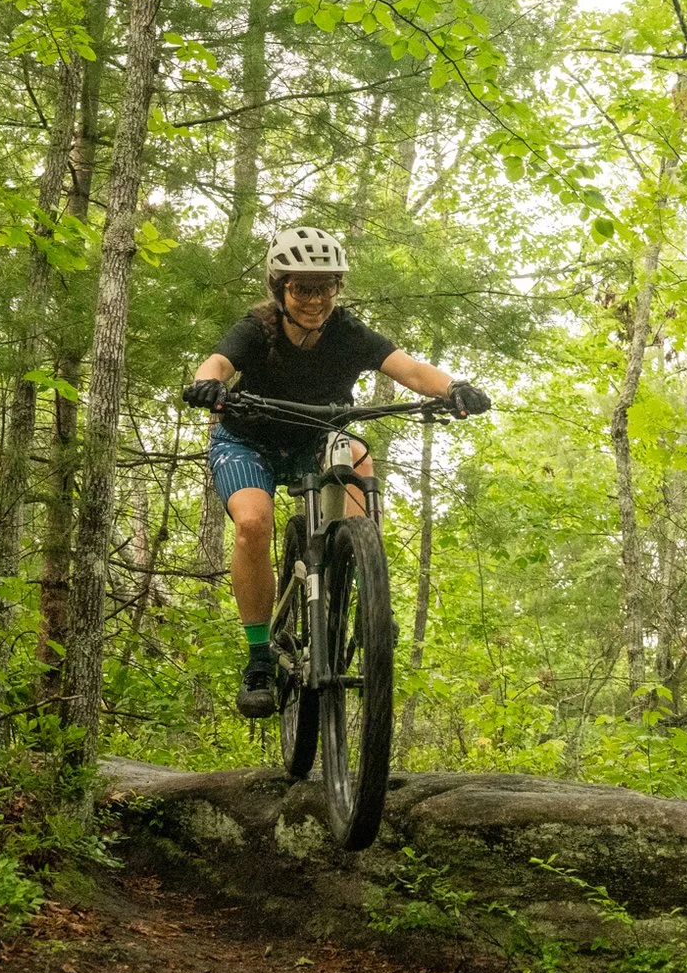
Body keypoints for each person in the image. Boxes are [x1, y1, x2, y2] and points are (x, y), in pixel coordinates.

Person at [183, 226, 490, 717]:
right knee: (252, 524)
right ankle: (259, 658)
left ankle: (369, 595)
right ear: (280, 289)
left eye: (325, 286)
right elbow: (217, 362)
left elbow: (410, 369)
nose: (315, 299)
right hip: (249, 441)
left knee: (358, 458)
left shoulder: (347, 333)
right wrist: (208, 385)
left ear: (337, 288)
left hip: (317, 438)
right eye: (302, 288)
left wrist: (454, 388)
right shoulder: (258, 328)